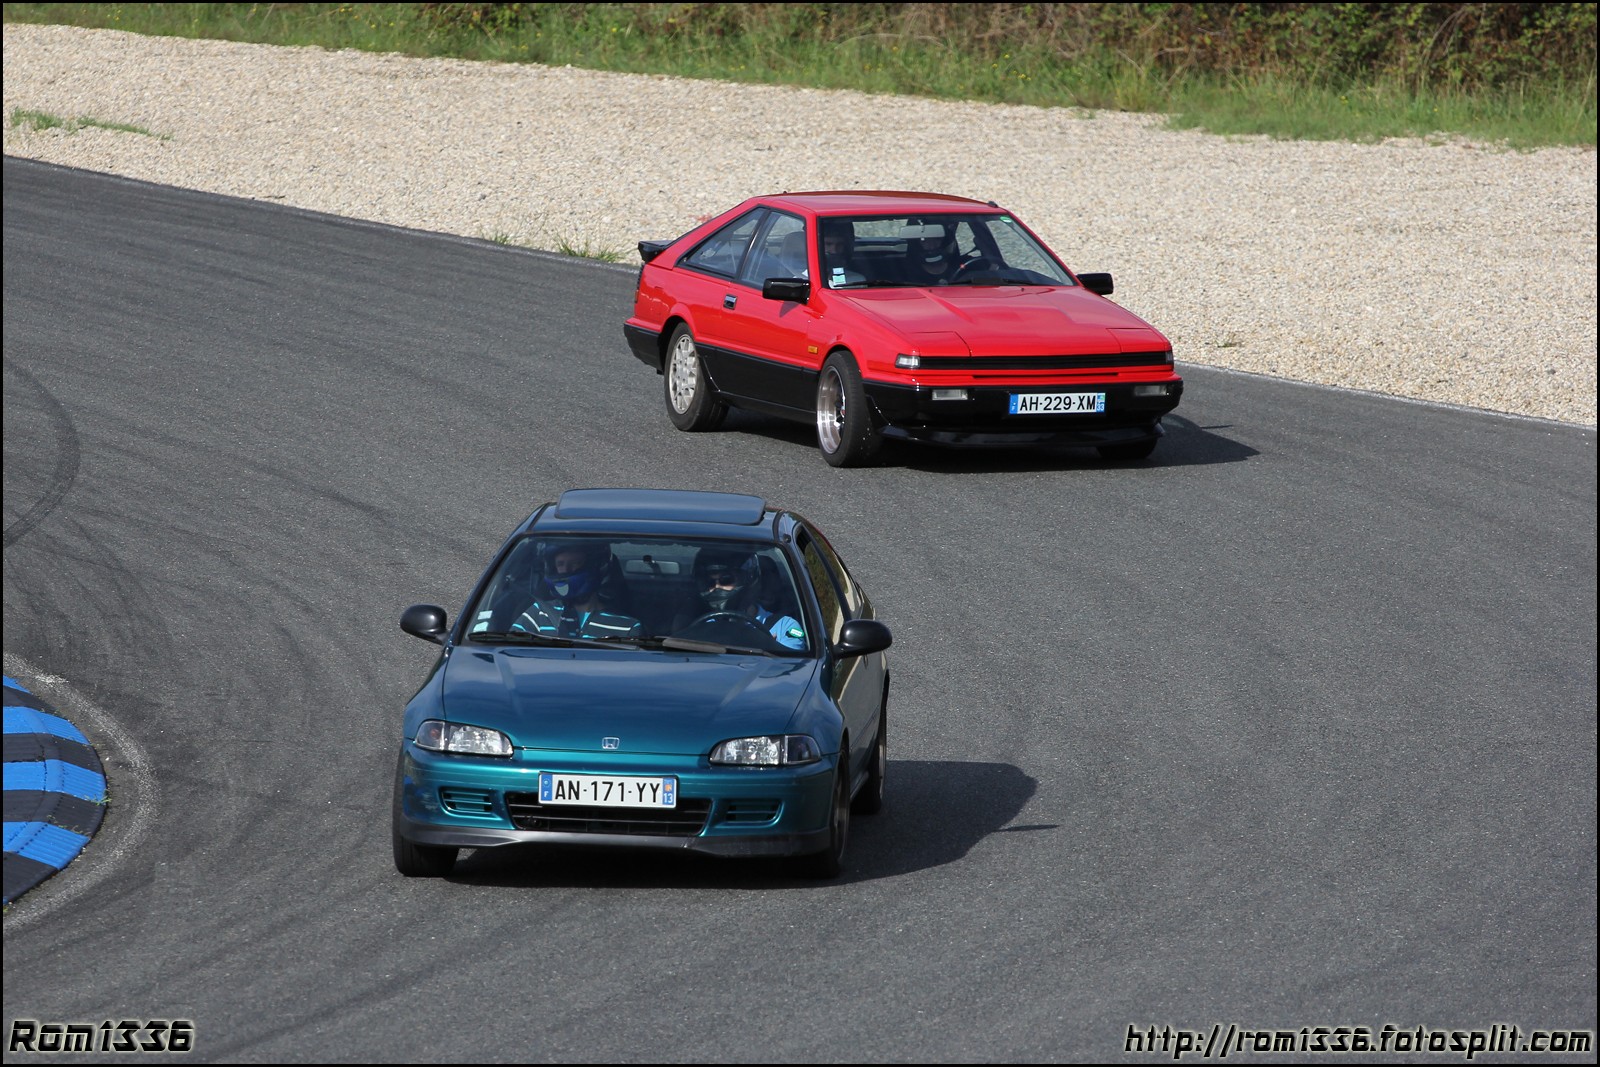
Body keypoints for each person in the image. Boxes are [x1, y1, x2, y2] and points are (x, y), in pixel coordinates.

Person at [674, 548, 806, 651]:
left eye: (726, 580)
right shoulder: (700, 628)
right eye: (709, 583)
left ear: (748, 579)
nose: (716, 588)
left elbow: (792, 671)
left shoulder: (784, 627)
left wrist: (772, 648)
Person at [512, 542, 642, 640]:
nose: (566, 570)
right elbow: (511, 651)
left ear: (593, 567)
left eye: (575, 563)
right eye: (560, 564)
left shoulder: (627, 627)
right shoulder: (538, 614)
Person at [819, 219, 866, 287]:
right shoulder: (802, 277)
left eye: (839, 245)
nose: (834, 250)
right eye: (828, 244)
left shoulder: (856, 280)